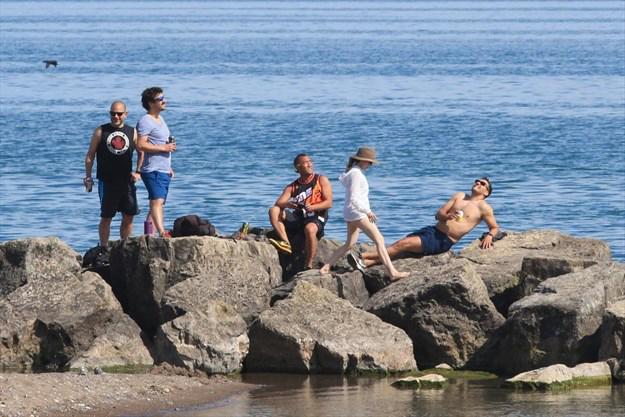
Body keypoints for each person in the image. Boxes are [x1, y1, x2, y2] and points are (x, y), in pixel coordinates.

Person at [355, 177, 499, 273]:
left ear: (487, 192)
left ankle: (363, 256)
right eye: (477, 181)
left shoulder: (484, 208)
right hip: (432, 230)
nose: (478, 184)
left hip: (444, 240)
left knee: (403, 244)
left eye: (482, 184)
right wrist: (447, 216)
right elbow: (438, 214)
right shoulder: (459, 196)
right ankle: (366, 263)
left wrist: (489, 236)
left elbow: (494, 227)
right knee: (401, 245)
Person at [319, 147, 409, 281]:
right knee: (380, 240)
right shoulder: (356, 174)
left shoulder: (353, 172)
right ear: (362, 161)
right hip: (357, 213)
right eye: (369, 162)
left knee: (349, 243)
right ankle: (392, 273)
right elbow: (354, 198)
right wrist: (368, 212)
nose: (370, 165)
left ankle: (326, 267)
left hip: (351, 212)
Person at [84, 100, 142, 248]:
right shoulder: (101, 131)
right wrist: (88, 177)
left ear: (126, 115)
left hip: (127, 181)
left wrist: (138, 172)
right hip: (107, 181)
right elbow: (90, 155)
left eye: (119, 114)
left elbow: (142, 153)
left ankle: (125, 246)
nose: (116, 116)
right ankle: (103, 247)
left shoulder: (132, 131)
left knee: (129, 215)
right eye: (112, 113)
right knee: (106, 216)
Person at [268, 153, 333, 270]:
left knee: (310, 229)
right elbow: (279, 202)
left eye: (310, 161)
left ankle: (308, 264)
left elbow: (328, 203)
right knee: (274, 210)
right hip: (298, 217)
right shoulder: (292, 186)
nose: (310, 164)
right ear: (298, 167)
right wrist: (288, 204)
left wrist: (313, 207)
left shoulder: (320, 179)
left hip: (316, 217)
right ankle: (286, 243)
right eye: (306, 162)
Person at [136, 87, 176, 238]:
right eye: (160, 99)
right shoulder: (146, 121)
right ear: (151, 103)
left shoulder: (160, 119)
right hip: (152, 169)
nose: (164, 101)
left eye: (163, 98)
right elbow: (140, 144)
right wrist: (163, 147)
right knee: (156, 201)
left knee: (159, 203)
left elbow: (161, 143)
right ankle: (161, 232)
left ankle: (148, 235)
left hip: (163, 169)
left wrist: (168, 166)